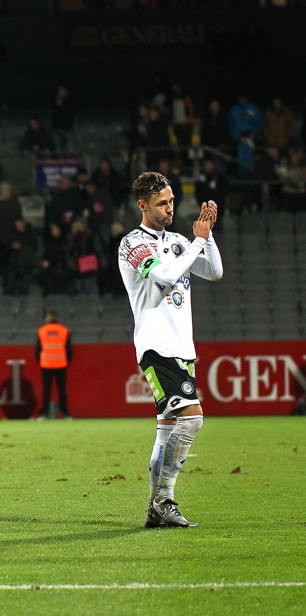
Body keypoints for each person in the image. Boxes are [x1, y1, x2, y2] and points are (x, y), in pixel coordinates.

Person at [118, 171, 223, 529]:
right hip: (156, 344)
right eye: (162, 203)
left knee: (168, 426)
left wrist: (205, 238)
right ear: (143, 205)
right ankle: (164, 499)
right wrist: (196, 242)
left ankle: (155, 508)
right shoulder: (133, 244)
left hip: (182, 345)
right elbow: (163, 276)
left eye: (172, 201)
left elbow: (214, 272)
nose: (169, 208)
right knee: (192, 417)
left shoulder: (180, 240)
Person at [35, 311, 72, 419]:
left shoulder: (42, 331)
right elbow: (69, 350)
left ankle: (44, 414)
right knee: (62, 391)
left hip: (46, 365)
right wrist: (66, 362)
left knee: (46, 391)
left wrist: (41, 361)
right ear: (57, 318)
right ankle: (65, 414)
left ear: (47, 319)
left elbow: (37, 350)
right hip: (61, 365)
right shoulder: (64, 331)